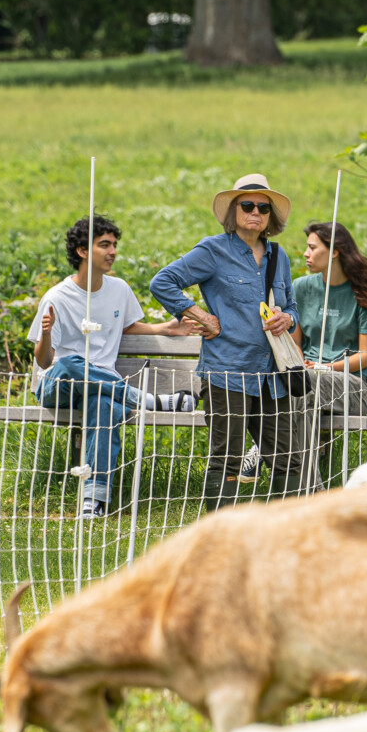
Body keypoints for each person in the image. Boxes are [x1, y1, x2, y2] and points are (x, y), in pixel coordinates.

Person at [149, 173, 307, 509]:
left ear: (270, 217)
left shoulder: (279, 257)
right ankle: (221, 538)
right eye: (247, 205)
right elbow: (163, 282)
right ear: (233, 211)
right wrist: (201, 317)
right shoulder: (213, 250)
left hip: (272, 374)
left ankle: (289, 534)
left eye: (263, 208)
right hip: (227, 370)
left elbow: (291, 305)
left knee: (288, 457)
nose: (255, 212)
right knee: (228, 457)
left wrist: (288, 318)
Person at [29, 216, 196, 519]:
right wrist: (46, 332)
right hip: (58, 386)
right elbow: (44, 362)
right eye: (104, 245)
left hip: (102, 388)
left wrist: (167, 329)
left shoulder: (119, 290)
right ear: (82, 251)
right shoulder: (56, 297)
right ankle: (144, 400)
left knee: (104, 404)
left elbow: (128, 326)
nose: (112, 251)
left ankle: (94, 500)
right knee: (70, 363)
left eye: (114, 245)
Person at [291, 220, 367, 487]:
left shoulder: (364, 294)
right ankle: (312, 490)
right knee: (299, 393)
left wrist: (323, 369)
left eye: (312, 247)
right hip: (306, 382)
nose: (306, 254)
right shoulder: (301, 287)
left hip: (353, 387)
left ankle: (303, 487)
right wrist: (302, 364)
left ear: (334, 251)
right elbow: (294, 343)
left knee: (301, 387)